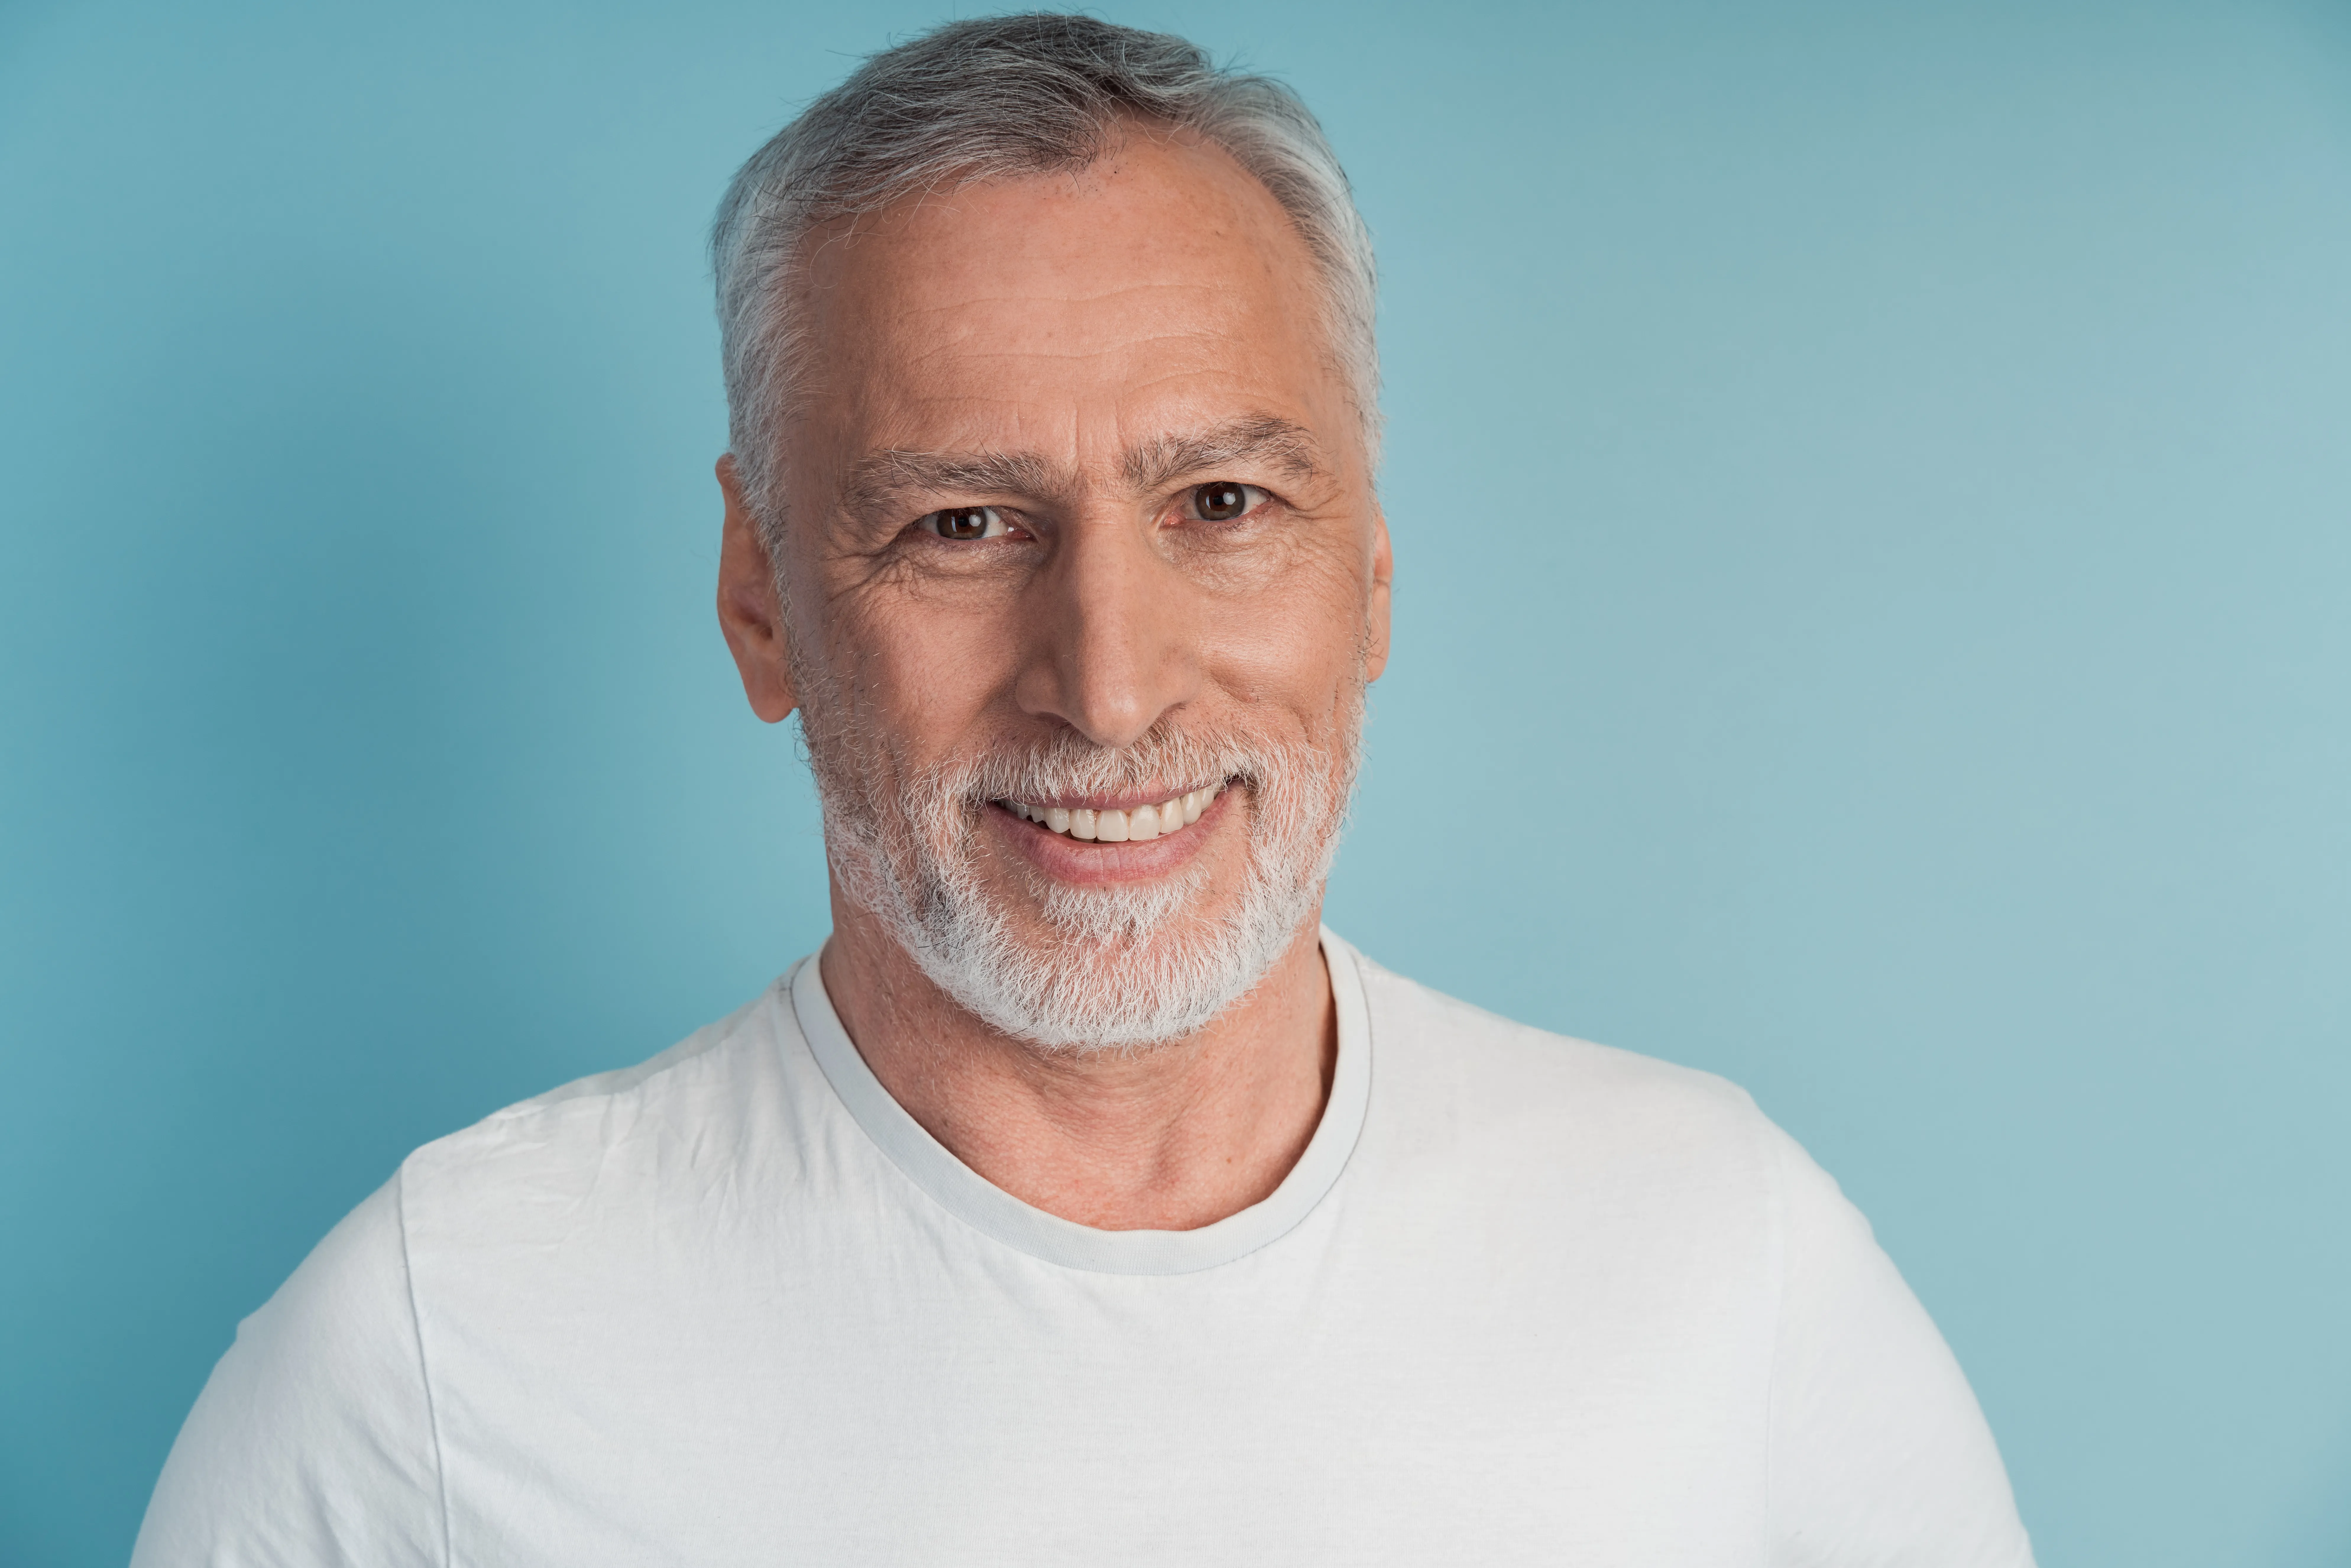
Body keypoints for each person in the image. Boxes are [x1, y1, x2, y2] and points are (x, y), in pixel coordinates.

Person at [132, 14, 2034, 1564]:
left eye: (1223, 501)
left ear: (1371, 576)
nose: (1109, 690)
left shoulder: (1720, 1258)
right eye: (963, 524)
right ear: (759, 599)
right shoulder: (436, 1358)